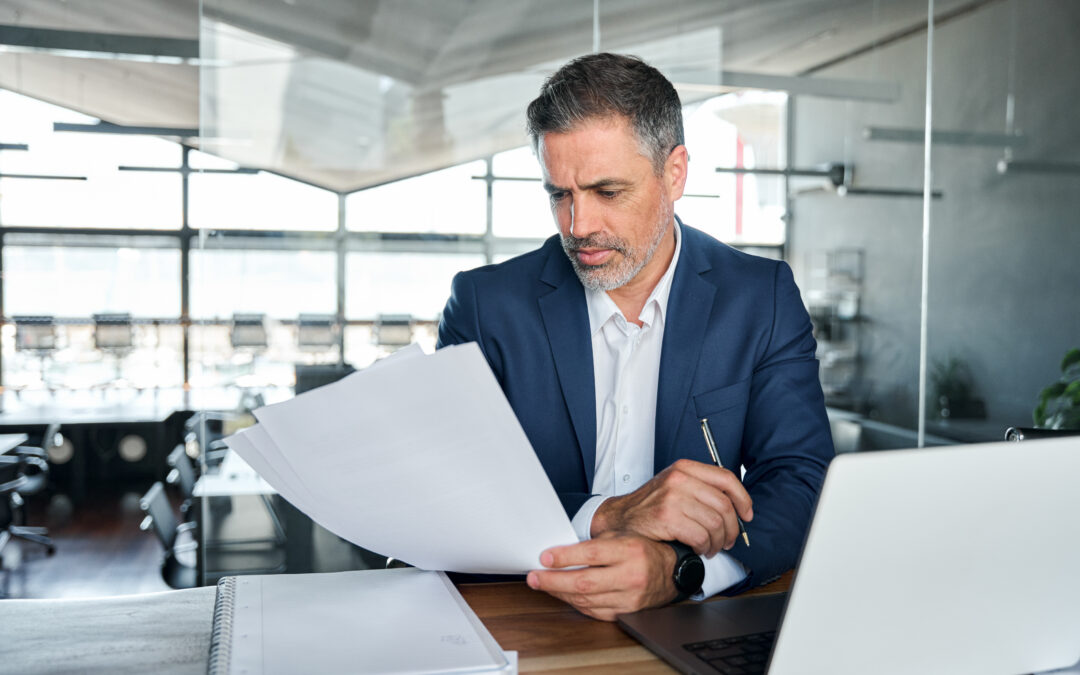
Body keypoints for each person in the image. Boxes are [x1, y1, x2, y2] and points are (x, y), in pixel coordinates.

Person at [437, 53, 833, 621]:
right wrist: (608, 516)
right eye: (559, 194)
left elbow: (802, 479)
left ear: (674, 174)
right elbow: (448, 493)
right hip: (526, 615)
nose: (578, 227)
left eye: (607, 191)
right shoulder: (485, 305)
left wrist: (681, 571)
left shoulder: (760, 297)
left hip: (698, 618)